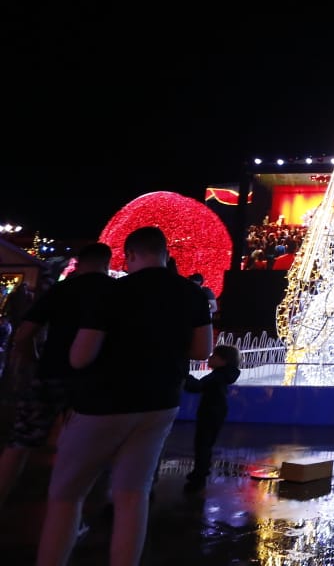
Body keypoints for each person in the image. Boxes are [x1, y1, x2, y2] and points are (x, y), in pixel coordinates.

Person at [35, 225, 212, 566]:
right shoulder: (191, 294)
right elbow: (202, 349)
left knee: (66, 494)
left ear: (130, 255)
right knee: (133, 495)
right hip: (160, 403)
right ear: (164, 254)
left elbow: (80, 356)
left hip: (102, 404)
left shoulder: (113, 292)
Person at [0, 242, 115, 511]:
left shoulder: (63, 290)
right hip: (94, 382)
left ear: (81, 262)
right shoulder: (115, 292)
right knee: (82, 451)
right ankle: (69, 515)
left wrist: (32, 358)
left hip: (51, 373)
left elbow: (25, 333)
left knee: (21, 441)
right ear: (107, 262)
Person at [181, 344, 241, 491]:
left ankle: (199, 475)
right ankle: (201, 472)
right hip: (217, 412)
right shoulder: (223, 375)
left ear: (223, 360)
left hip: (210, 412)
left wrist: (183, 374)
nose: (209, 358)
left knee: (202, 444)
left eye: (214, 356)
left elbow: (197, 387)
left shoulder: (218, 376)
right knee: (206, 443)